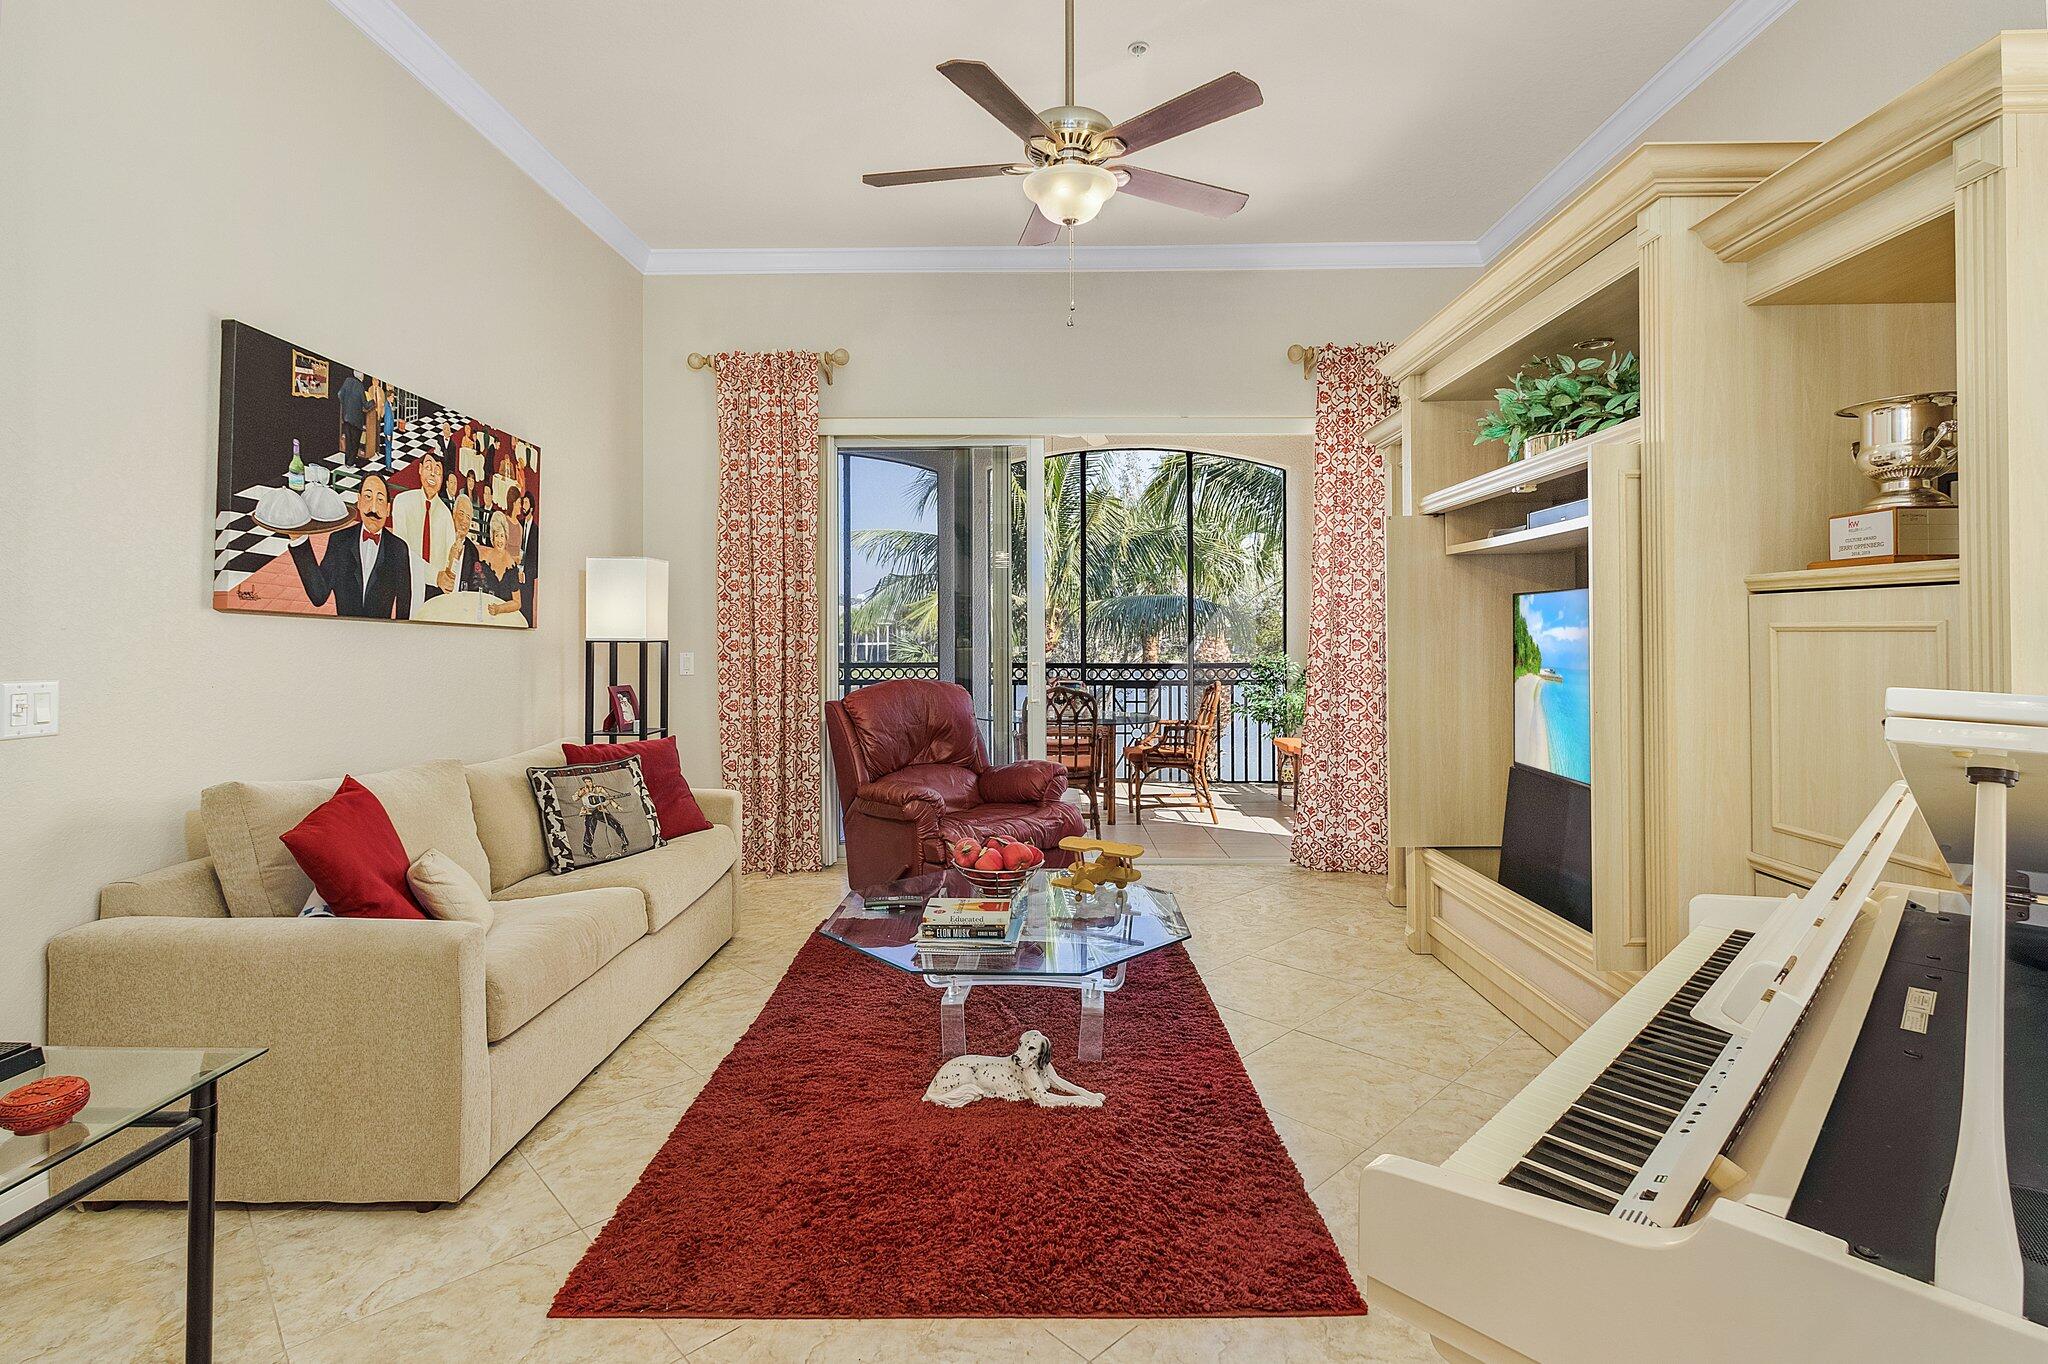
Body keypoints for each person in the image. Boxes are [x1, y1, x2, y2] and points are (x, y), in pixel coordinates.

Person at [287, 471, 409, 618]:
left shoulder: (398, 548)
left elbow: (404, 603)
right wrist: (298, 539)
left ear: (389, 509)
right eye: (368, 497)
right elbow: (318, 595)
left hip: (380, 636)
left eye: (380, 500)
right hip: (344, 634)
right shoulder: (339, 541)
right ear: (358, 501)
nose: (374, 509)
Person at [389, 448, 455, 607]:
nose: (433, 474)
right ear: (419, 470)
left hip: (437, 591)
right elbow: (401, 550)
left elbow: (450, 556)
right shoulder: (402, 502)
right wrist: (435, 576)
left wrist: (446, 578)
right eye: (428, 467)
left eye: (438, 471)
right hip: (409, 582)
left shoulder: (446, 515)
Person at [477, 515, 524, 618]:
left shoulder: (511, 566)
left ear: (506, 539)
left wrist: (499, 609)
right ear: (492, 538)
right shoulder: (483, 560)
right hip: (484, 613)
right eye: (497, 536)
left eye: (502, 536)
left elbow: (517, 603)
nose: (499, 540)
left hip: (504, 616)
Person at [437, 493, 480, 595]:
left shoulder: (473, 551)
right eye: (461, 514)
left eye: (468, 517)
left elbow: (474, 586)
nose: (464, 521)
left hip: (460, 603)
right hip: (437, 599)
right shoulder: (441, 538)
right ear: (453, 514)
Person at [337, 369, 368, 466]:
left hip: (346, 417)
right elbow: (366, 405)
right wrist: (374, 402)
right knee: (355, 442)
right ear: (361, 376)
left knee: (348, 441)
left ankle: (347, 462)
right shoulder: (360, 386)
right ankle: (350, 463)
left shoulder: (347, 381)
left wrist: (345, 404)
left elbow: (339, 394)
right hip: (356, 420)